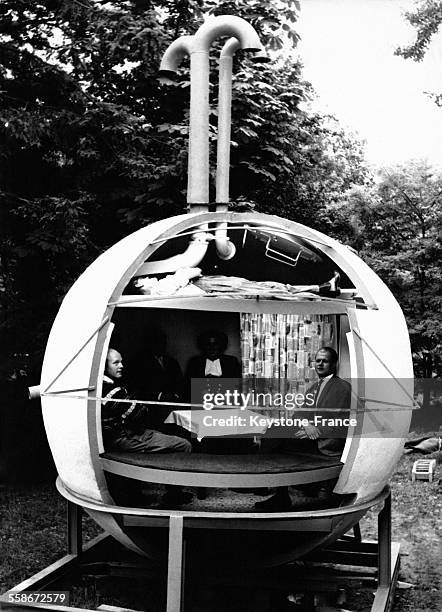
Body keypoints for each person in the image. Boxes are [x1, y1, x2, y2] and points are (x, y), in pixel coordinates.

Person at [255, 346, 351, 511]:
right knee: (272, 431)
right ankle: (278, 491)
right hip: (309, 433)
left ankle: (276, 491)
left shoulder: (341, 387)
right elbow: (298, 415)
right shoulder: (314, 387)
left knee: (278, 442)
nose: (320, 364)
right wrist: (306, 425)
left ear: (334, 364)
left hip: (326, 441)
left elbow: (335, 419)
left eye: (325, 361)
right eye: (318, 361)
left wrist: (316, 430)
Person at [102, 348, 192, 505]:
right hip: (125, 438)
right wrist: (139, 405)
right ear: (104, 366)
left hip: (125, 434)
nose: (121, 365)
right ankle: (173, 495)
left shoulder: (108, 385)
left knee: (166, 433)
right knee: (183, 445)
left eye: (121, 361)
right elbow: (139, 414)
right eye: (116, 363)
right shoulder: (112, 390)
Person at [129, 329, 185, 434]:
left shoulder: (172, 361)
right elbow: (137, 387)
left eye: (163, 342)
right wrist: (159, 396)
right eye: (156, 342)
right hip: (152, 407)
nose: (161, 345)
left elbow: (180, 382)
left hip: (173, 404)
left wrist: (176, 395)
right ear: (149, 344)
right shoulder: (138, 362)